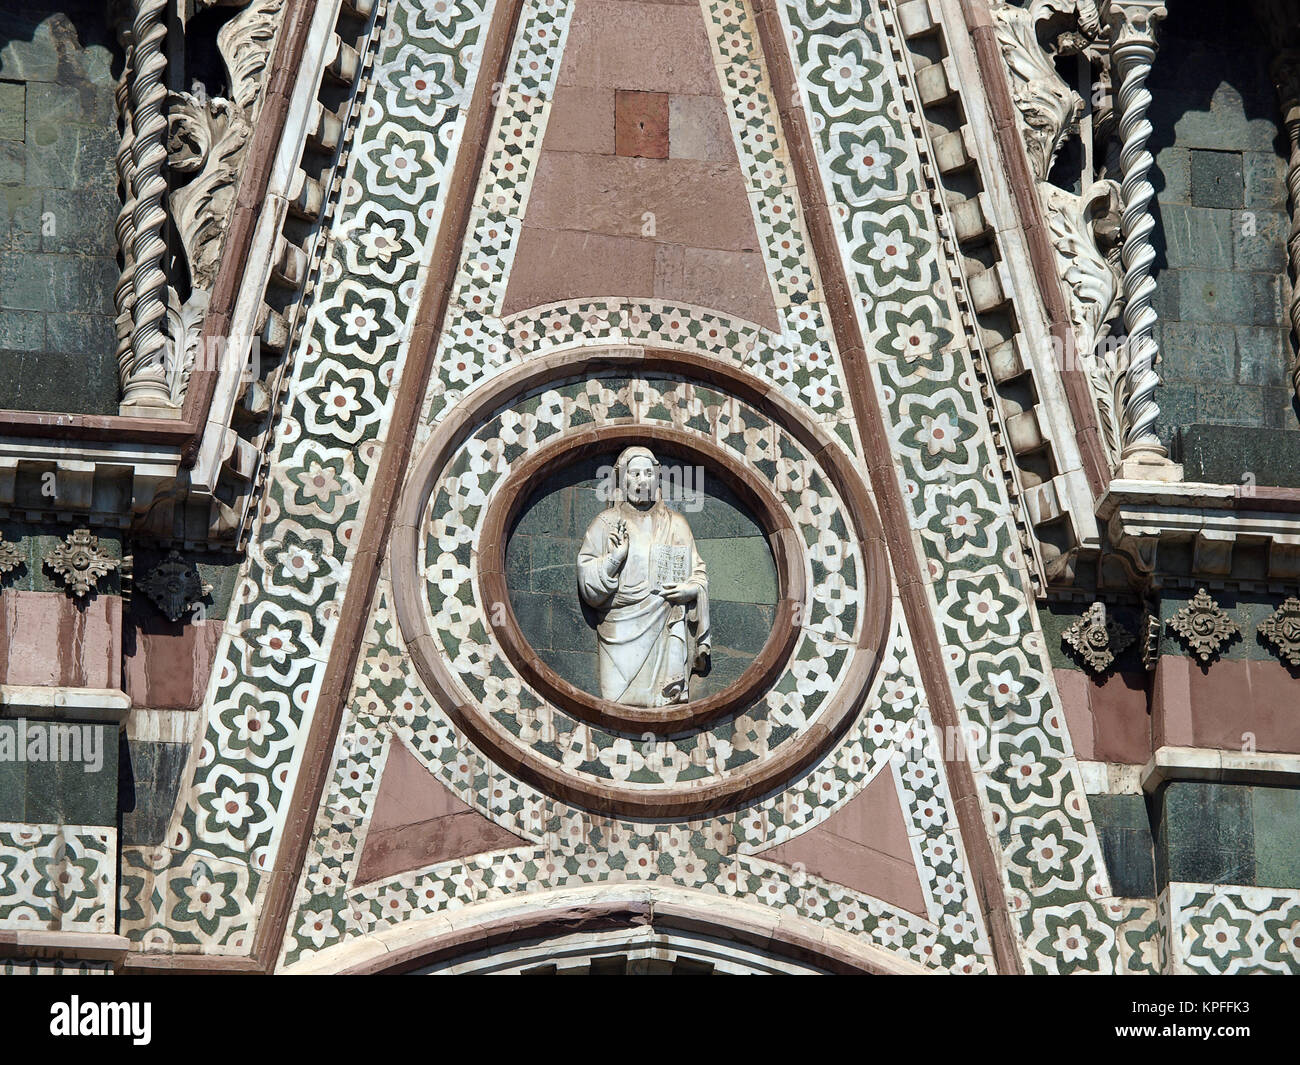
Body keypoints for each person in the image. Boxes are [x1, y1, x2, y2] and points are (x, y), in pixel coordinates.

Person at [577, 446, 710, 706]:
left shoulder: (676, 524)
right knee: (616, 700)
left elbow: (698, 573)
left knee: (666, 700)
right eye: (634, 474)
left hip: (666, 621)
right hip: (619, 627)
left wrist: (690, 591)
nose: (642, 480)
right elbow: (588, 582)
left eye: (648, 473)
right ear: (623, 480)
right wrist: (615, 558)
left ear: (656, 478)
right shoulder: (605, 524)